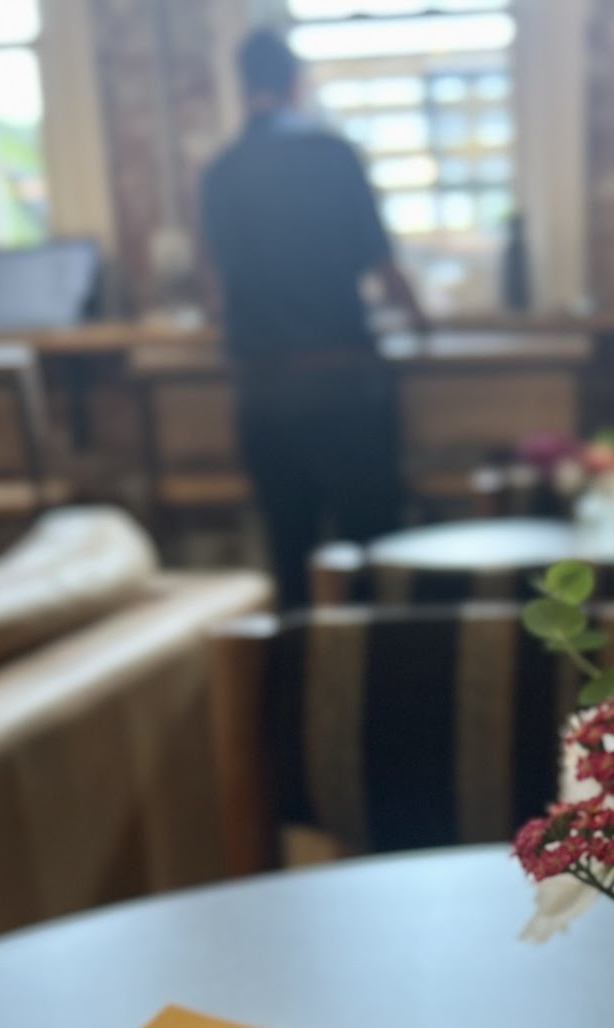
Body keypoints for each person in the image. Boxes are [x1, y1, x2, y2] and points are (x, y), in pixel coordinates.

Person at [199, 29, 428, 608]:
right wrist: (423, 325)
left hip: (260, 392)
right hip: (341, 384)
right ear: (297, 83)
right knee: (373, 552)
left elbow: (216, 291)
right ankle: (375, 659)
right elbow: (383, 266)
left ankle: (299, 662)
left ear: (242, 85)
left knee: (290, 555)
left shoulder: (220, 172)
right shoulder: (333, 155)